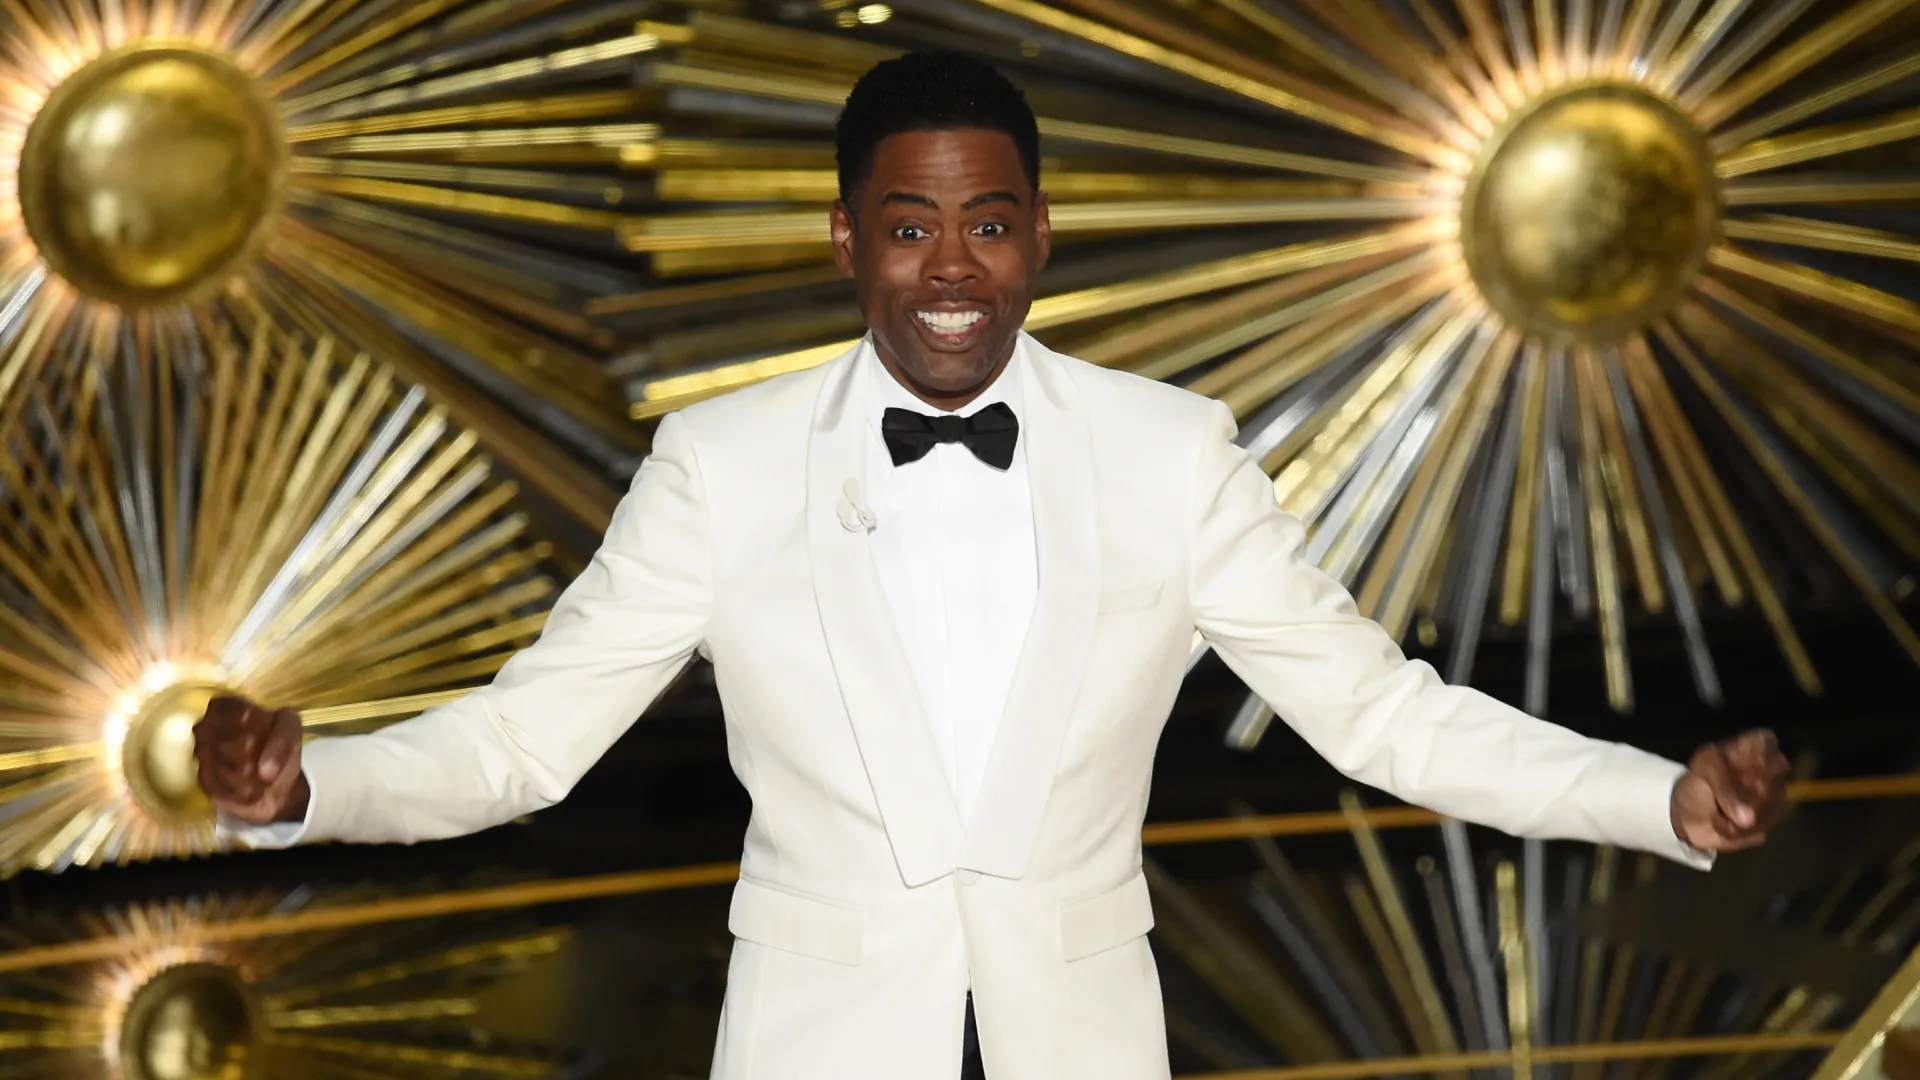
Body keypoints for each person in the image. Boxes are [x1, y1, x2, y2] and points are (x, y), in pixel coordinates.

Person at [195, 50, 1790, 1080]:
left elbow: (1387, 718)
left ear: (1040, 233)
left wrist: (1656, 798)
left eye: (986, 226)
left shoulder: (1173, 452)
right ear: (844, 240)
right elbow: (525, 744)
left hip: (1083, 1042)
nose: (948, 271)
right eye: (907, 229)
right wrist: (306, 789)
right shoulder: (723, 464)